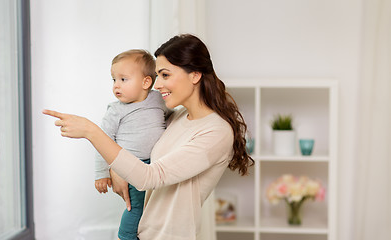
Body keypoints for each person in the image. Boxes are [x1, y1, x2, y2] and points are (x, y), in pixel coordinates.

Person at [43, 34, 254, 240]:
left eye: (165, 75)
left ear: (195, 75)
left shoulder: (216, 131)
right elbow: (141, 150)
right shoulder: (177, 118)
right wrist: (114, 169)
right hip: (143, 231)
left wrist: (91, 132)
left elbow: (150, 177)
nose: (157, 84)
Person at [94, 49, 170, 240]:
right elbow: (102, 140)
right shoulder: (115, 110)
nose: (116, 86)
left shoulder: (158, 99)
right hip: (130, 166)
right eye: (114, 80)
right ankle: (126, 236)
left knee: (153, 208)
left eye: (123, 79)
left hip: (155, 165)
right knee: (135, 207)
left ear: (146, 82)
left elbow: (169, 118)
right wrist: (102, 173)